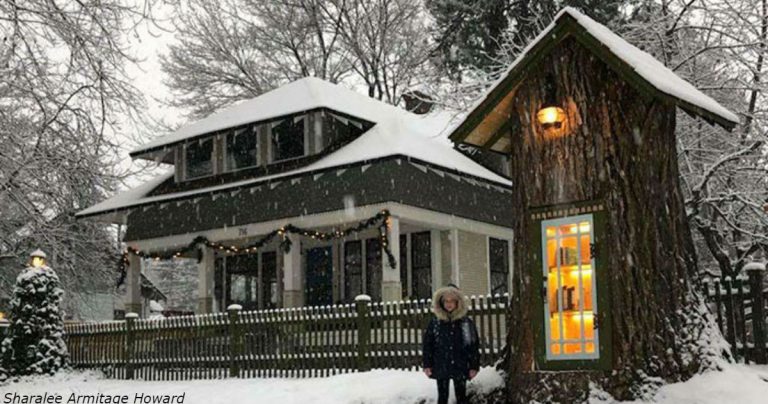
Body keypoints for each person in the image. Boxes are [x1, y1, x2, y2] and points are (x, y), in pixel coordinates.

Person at [422, 283, 480, 404]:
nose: (449, 304)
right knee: (442, 397)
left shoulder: (465, 323)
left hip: (460, 364)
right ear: (441, 303)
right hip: (441, 364)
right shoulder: (436, 323)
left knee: (461, 396)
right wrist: (427, 364)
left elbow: (473, 345)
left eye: (452, 301)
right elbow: (428, 344)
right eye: (446, 301)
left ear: (458, 302)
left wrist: (474, 366)